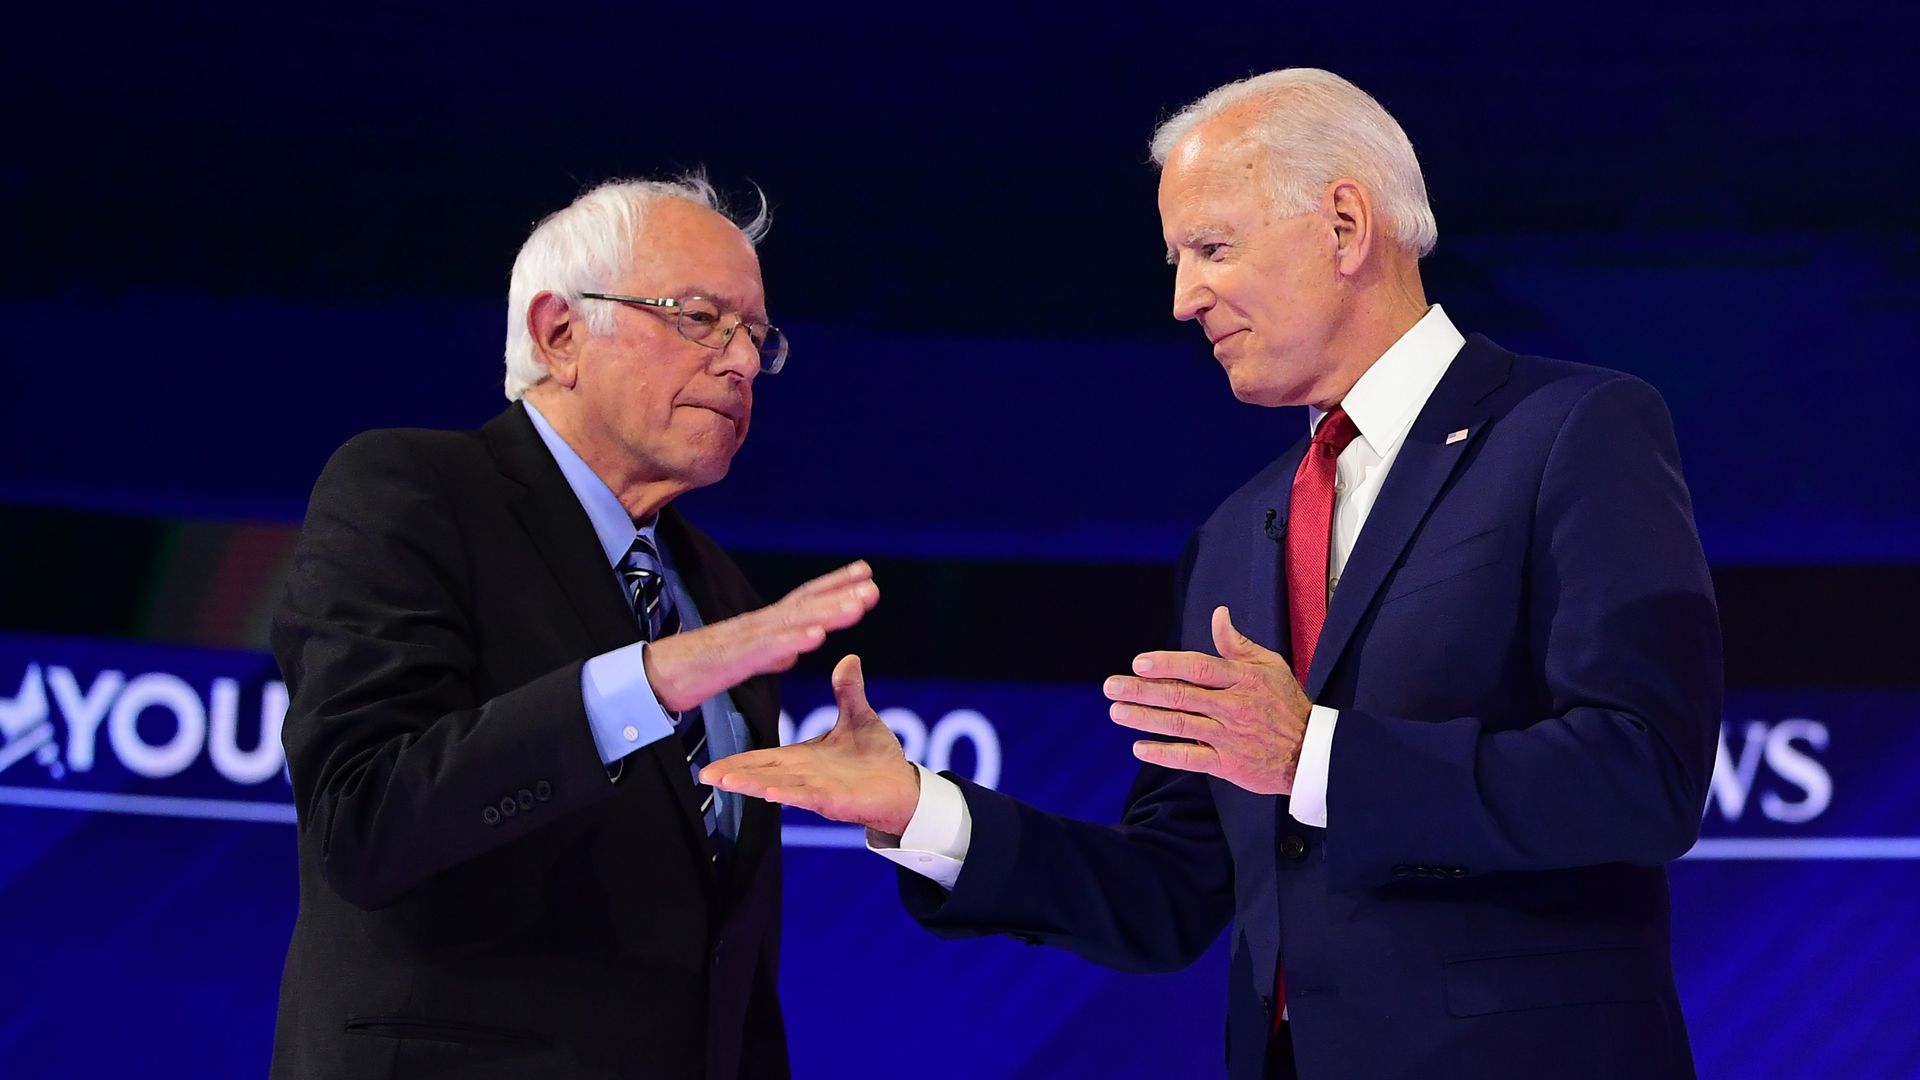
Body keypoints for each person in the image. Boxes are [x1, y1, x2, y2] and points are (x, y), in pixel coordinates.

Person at [703, 69, 1722, 1080]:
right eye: (1179, 259)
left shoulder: (1574, 431)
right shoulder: (1236, 538)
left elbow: (1644, 775)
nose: (1184, 298)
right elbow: (1169, 890)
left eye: (1211, 248)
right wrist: (919, 809)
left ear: (1344, 225)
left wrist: (1314, 757)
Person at [270, 174, 879, 1080]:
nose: (743, 362)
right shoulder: (413, 492)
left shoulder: (722, 594)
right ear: (561, 335)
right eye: (699, 317)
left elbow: (728, 962)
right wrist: (651, 679)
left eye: (756, 334)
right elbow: (366, 822)